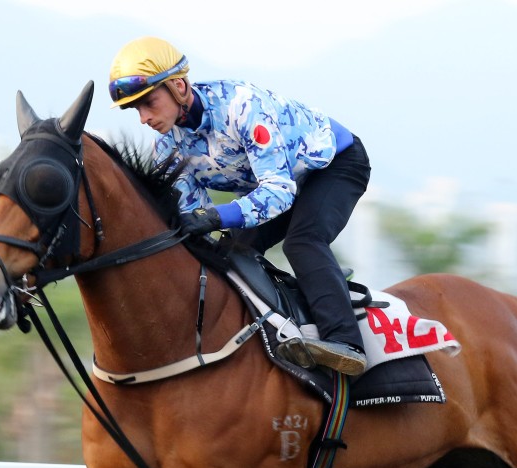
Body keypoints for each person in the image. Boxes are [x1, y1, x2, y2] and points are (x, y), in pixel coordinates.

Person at [108, 36, 371, 377]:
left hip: (333, 166)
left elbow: (277, 193)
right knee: (229, 253)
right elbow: (194, 224)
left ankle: (347, 343)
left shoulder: (242, 107)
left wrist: (216, 216)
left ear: (178, 86)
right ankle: (295, 314)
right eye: (135, 109)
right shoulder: (168, 147)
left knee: (302, 241)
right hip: (281, 184)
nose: (143, 117)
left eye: (148, 102)